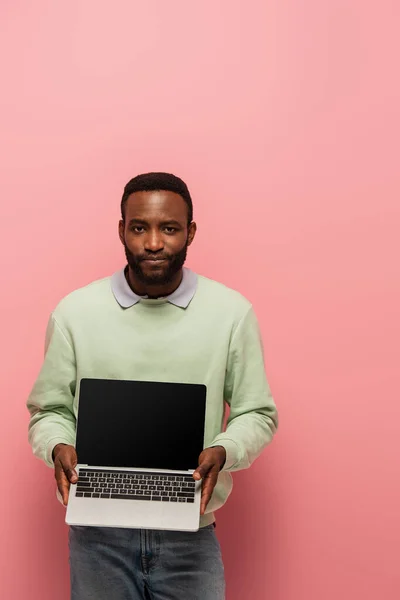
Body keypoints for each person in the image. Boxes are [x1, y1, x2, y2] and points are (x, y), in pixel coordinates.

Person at [27, 172, 278, 600]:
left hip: (190, 532)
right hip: (98, 536)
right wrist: (57, 445)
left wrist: (226, 450)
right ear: (122, 229)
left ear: (190, 232)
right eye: (140, 227)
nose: (154, 243)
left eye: (170, 228)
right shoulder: (74, 313)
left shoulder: (231, 313)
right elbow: (49, 410)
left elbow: (257, 412)